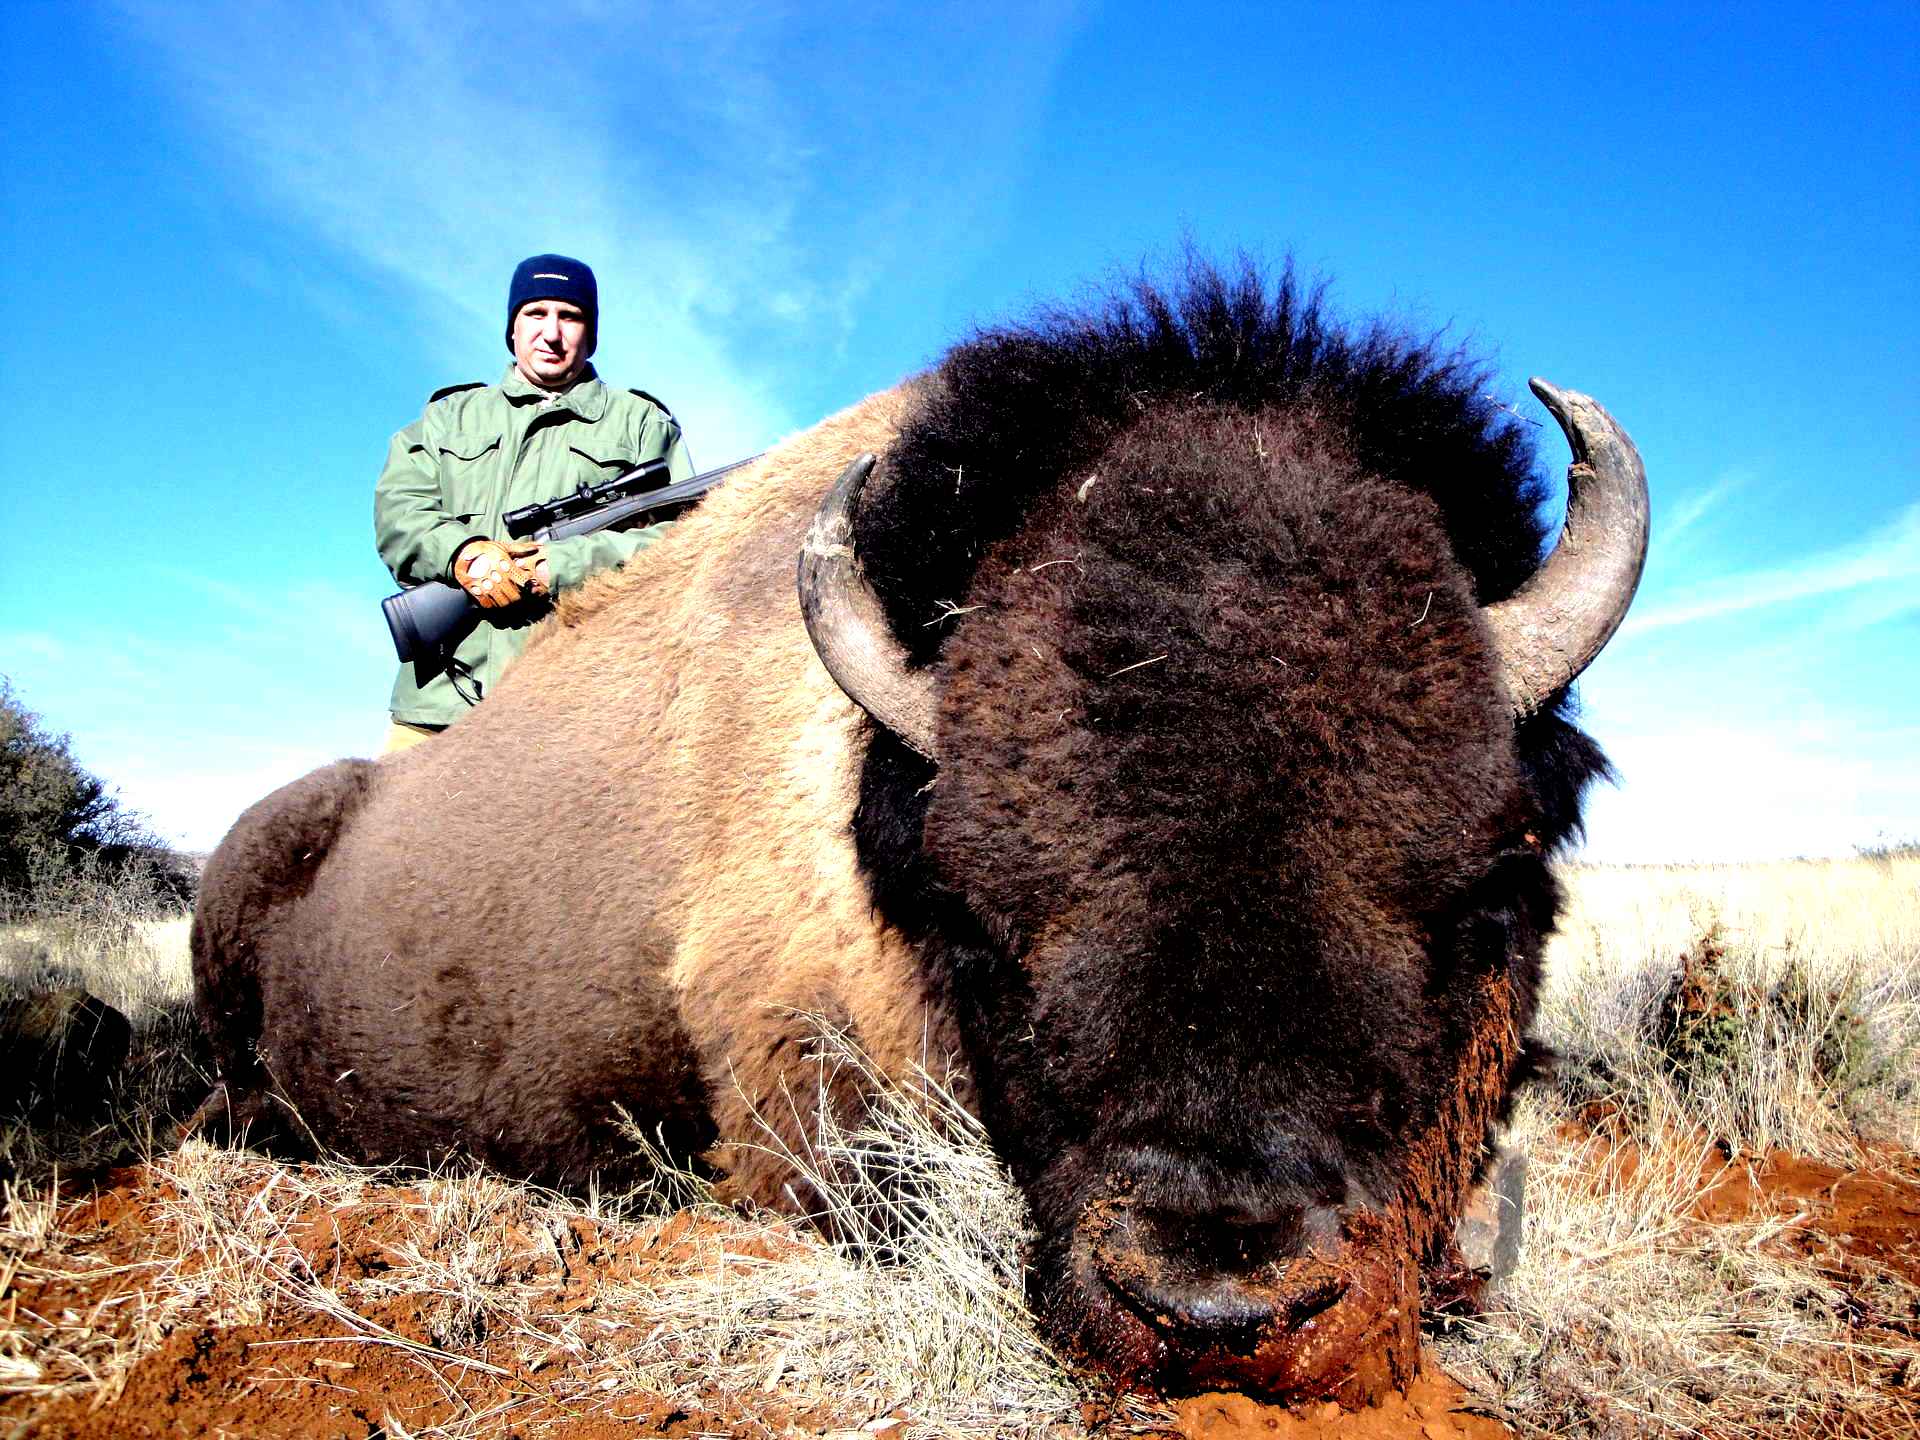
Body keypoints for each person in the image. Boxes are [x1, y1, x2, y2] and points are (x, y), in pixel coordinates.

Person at [374, 254, 692, 752]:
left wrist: (560, 565)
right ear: (513, 329)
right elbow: (400, 512)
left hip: (577, 713)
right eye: (536, 314)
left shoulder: (642, 423)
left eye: (570, 316)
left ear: (590, 333)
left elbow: (685, 540)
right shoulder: (448, 417)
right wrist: (466, 555)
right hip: (439, 707)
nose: (552, 333)